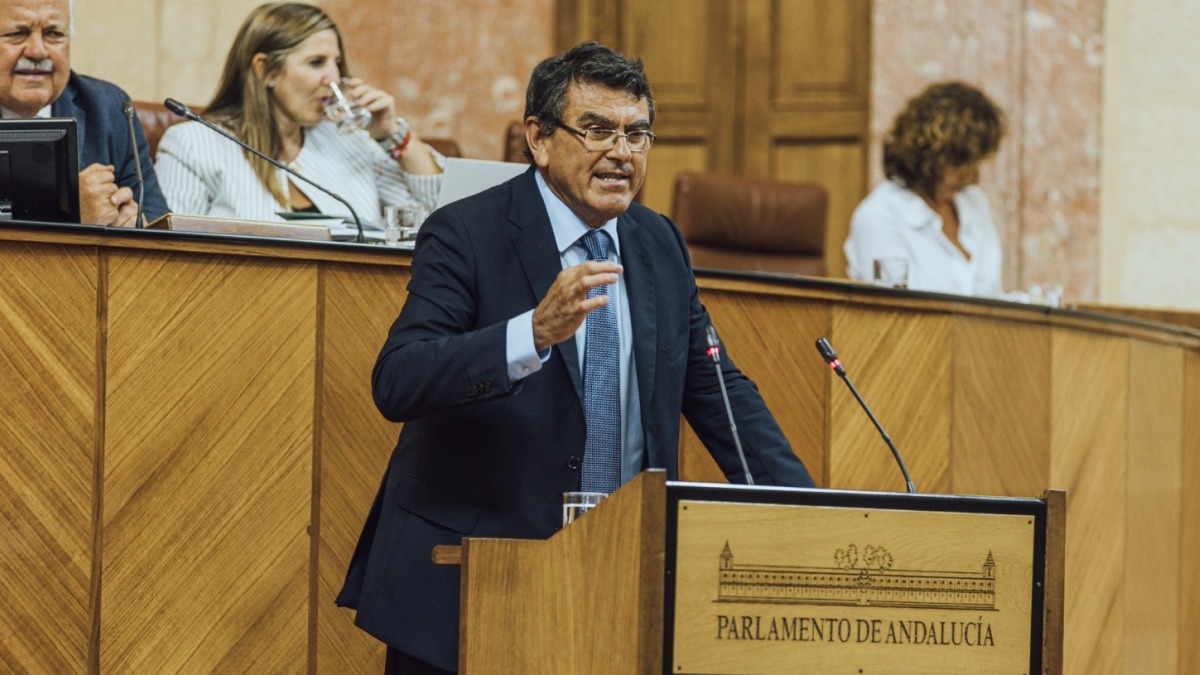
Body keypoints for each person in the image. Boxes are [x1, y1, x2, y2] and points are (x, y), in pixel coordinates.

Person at [336, 41, 814, 674]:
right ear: (539, 138)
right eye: (596, 130)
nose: (621, 153)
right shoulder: (466, 232)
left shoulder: (658, 242)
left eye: (637, 134)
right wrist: (530, 332)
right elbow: (399, 379)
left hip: (621, 577)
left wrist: (808, 512)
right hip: (475, 579)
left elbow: (716, 387)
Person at [154, 2, 442, 231]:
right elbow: (167, 249)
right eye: (317, 62)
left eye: (337, 63)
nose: (334, 77)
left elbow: (439, 217)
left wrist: (392, 134)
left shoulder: (349, 139)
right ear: (265, 69)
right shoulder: (194, 143)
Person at [0, 0, 168, 226]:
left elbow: (158, 218)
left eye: (53, 34)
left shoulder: (109, 109)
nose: (38, 51)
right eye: (17, 33)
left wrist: (135, 223)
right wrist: (67, 214)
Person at [844, 81, 1006, 296]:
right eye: (959, 163)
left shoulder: (973, 202)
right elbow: (898, 315)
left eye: (975, 163)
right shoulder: (879, 215)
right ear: (927, 155)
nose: (969, 177)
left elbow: (994, 299)